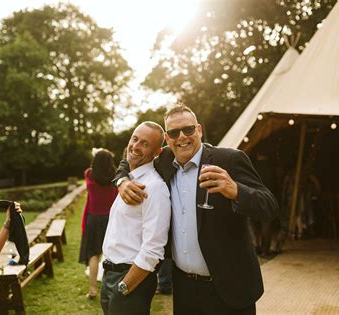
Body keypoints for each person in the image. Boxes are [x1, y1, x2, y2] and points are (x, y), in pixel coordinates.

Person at [115, 104, 279, 314]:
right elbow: (129, 159)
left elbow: (269, 206)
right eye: (174, 132)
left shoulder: (228, 160)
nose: (182, 137)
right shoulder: (163, 160)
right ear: (167, 138)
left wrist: (236, 190)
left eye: (188, 129)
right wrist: (122, 181)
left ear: (199, 130)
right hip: (185, 290)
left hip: (230, 289)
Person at [101, 121, 171, 315]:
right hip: (110, 276)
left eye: (145, 144)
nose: (136, 146)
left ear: (157, 152)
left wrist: (124, 287)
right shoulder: (128, 179)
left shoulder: (154, 188)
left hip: (130, 279)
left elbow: (153, 250)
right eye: (135, 139)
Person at [78, 148, 119, 299]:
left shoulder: (89, 174)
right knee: (113, 254)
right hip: (112, 218)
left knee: (93, 254)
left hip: (94, 219)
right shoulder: (116, 175)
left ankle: (93, 289)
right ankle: (112, 287)